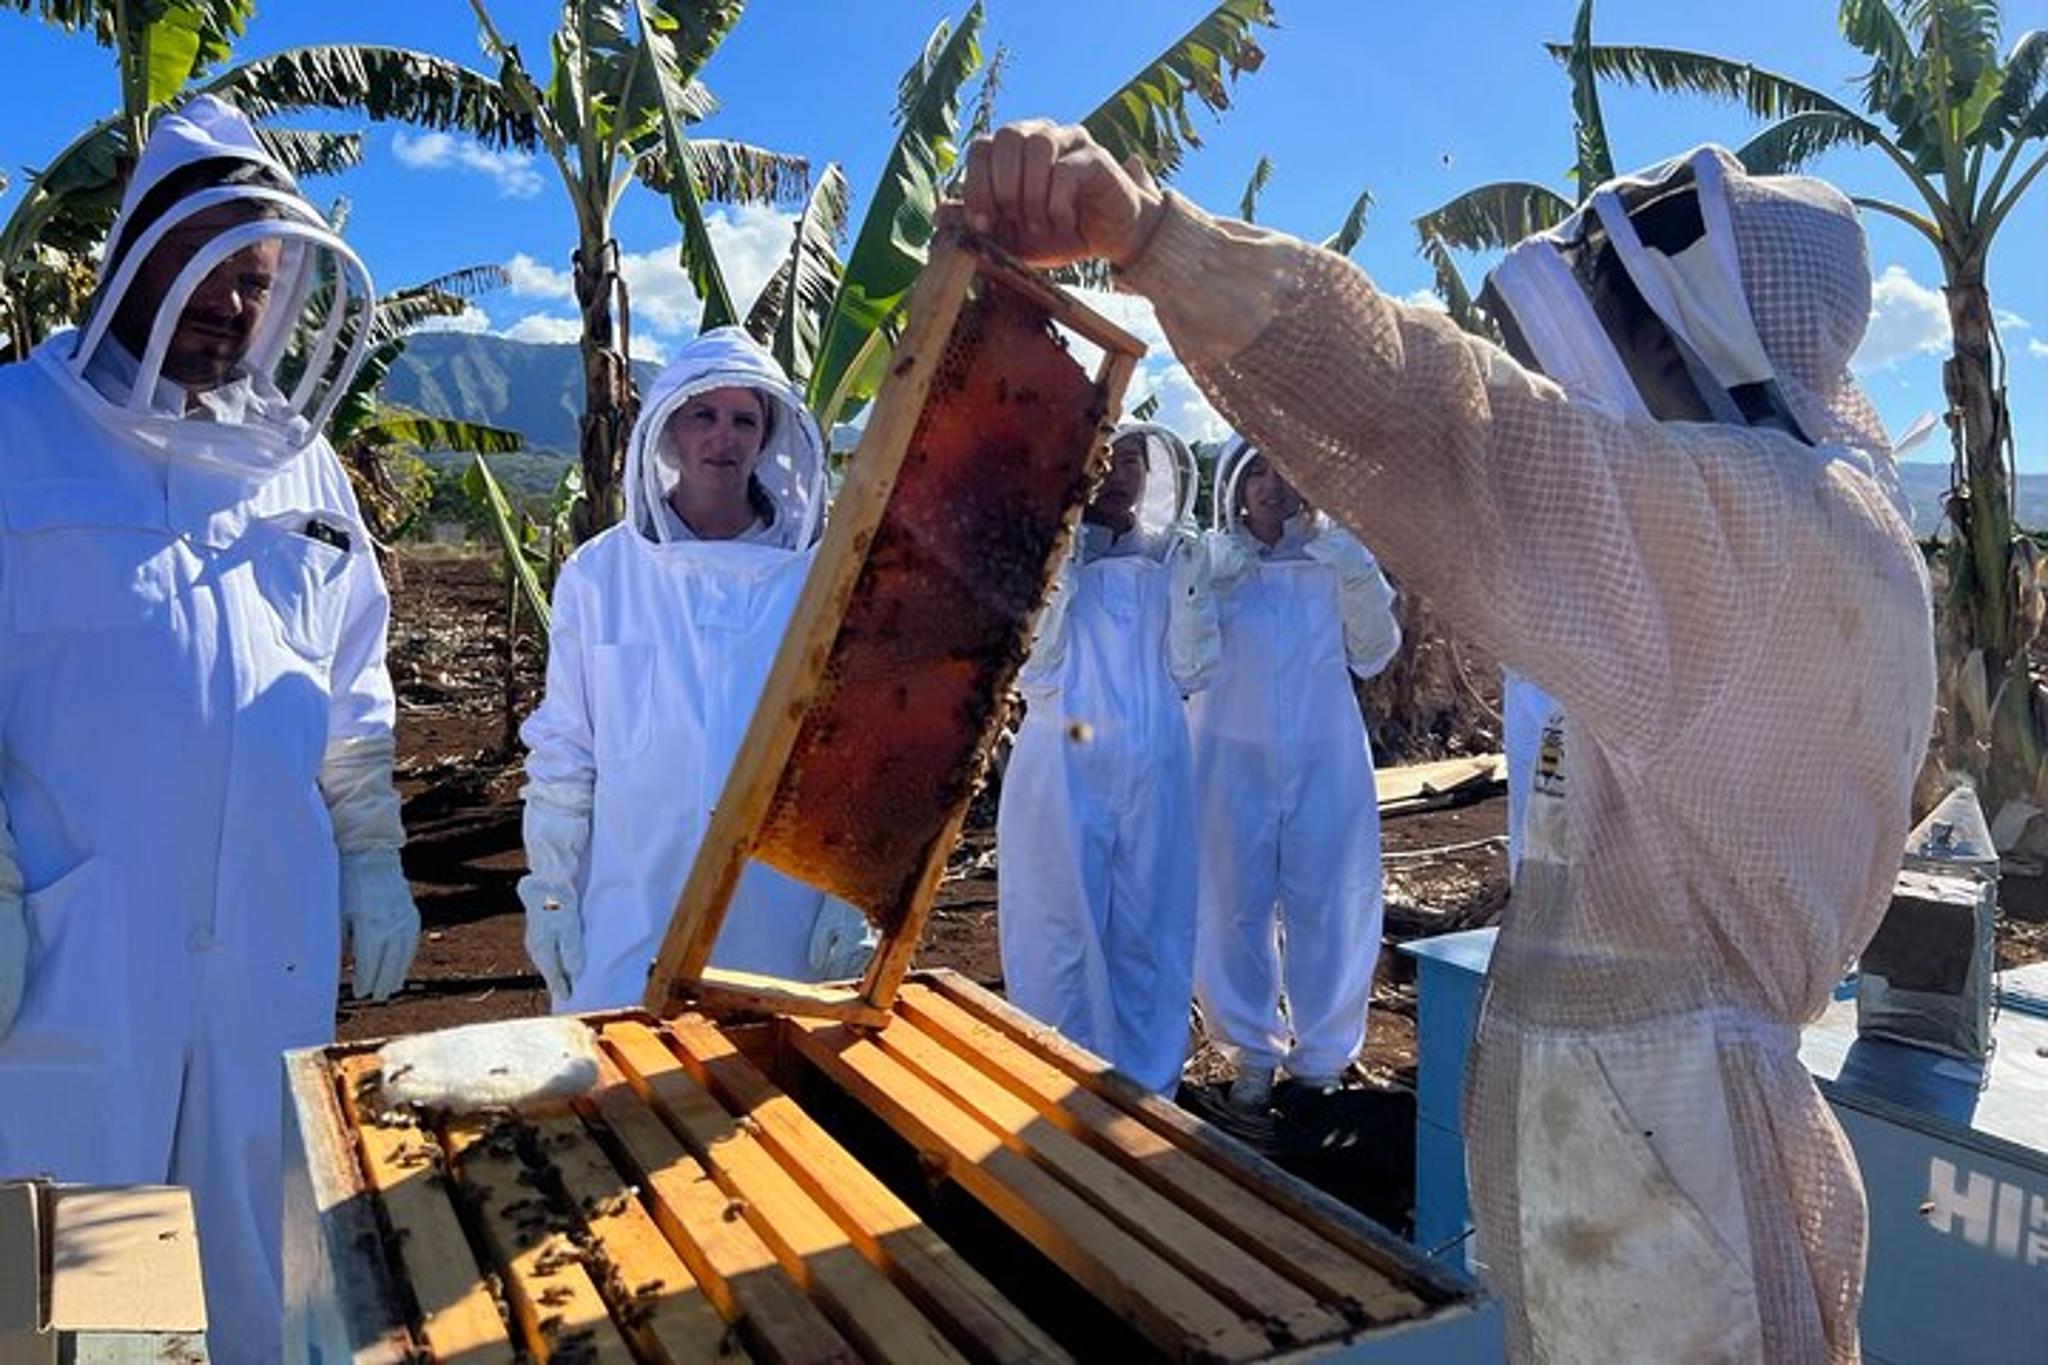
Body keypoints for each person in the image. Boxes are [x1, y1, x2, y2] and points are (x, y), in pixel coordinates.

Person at [959, 125, 1934, 1363]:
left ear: (1687, 337)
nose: (1589, 383)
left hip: (1677, 1175)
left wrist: (1154, 238)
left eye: (1617, 336)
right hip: (1666, 1149)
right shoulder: (1823, 524)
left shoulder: (1755, 533)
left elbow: (1447, 424)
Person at [0, 96, 416, 1363]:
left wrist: (371, 853)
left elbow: (348, 678)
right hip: (78, 941)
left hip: (268, 941)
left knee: (260, 1250)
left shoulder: (301, 465)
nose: (233, 304)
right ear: (133, 257)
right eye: (206, 267)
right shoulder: (17, 429)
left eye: (256, 280)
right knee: (88, 1261)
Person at [519, 327, 875, 1012]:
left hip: (783, 914)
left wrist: (850, 894)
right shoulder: (601, 574)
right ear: (669, 430)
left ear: (768, 436)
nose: (724, 437)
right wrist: (552, 893)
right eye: (704, 415)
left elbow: (853, 747)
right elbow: (566, 748)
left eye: (745, 419)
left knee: (770, 1071)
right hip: (631, 907)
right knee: (627, 1070)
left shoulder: (824, 577)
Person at [996, 422, 1218, 1094]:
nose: (1117, 474)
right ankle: (1060, 1089)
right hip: (1062, 760)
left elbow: (1194, 668)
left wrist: (1191, 586)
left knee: (1152, 926)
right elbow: (1031, 669)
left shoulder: (1176, 556)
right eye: (1104, 458)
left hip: (1156, 759)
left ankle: (1149, 1094)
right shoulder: (1040, 554)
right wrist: (1057, 566)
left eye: (1132, 461)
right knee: (1057, 926)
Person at [1193, 440, 1400, 1111]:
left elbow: (1374, 654)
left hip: (1324, 750)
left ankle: (1322, 1059)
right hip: (1229, 754)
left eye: (1282, 467)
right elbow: (1184, 662)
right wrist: (1201, 591)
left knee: (1333, 899)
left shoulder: (1334, 554)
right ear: (1232, 483)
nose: (1270, 485)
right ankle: (1250, 1053)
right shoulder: (1211, 561)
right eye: (1255, 471)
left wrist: (1355, 570)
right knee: (1231, 902)